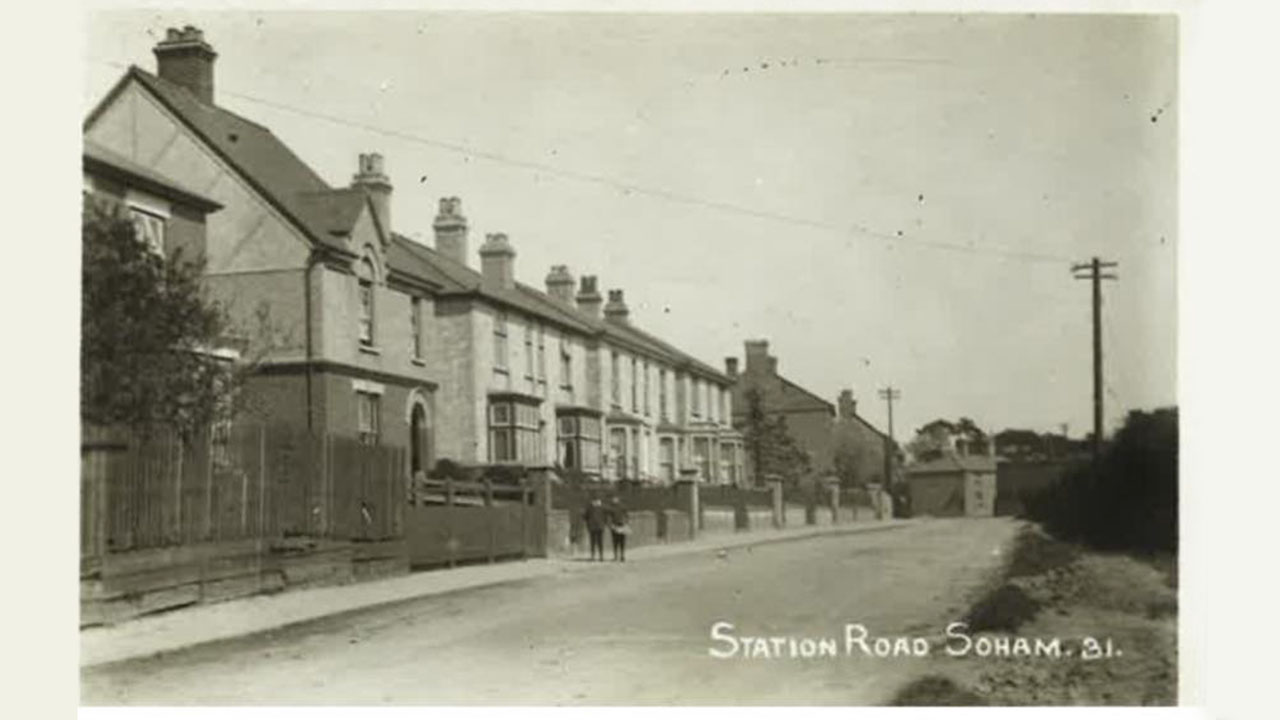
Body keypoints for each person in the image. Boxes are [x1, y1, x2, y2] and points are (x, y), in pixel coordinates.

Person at [607, 495, 631, 562]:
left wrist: (626, 523)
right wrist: (610, 525)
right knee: (616, 541)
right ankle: (616, 556)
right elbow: (609, 517)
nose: (614, 500)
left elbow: (627, 515)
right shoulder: (611, 507)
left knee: (621, 541)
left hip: (621, 525)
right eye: (613, 499)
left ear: (618, 499)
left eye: (615, 499)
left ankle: (622, 556)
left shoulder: (622, 507)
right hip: (615, 525)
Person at [583, 497, 607, 561]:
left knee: (600, 542)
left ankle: (601, 556)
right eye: (595, 501)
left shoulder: (602, 508)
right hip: (593, 527)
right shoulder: (589, 508)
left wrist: (603, 524)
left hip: (599, 527)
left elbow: (605, 517)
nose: (596, 502)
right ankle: (593, 556)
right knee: (593, 542)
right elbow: (585, 516)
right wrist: (589, 523)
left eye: (597, 501)